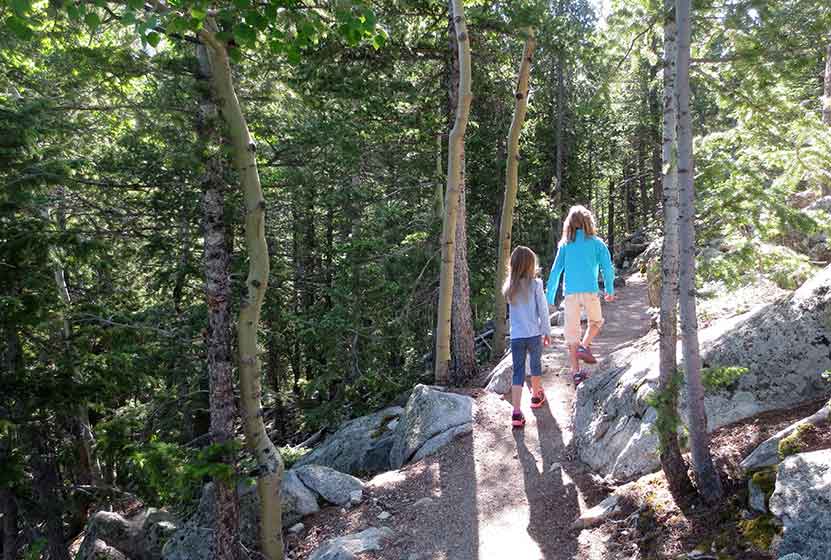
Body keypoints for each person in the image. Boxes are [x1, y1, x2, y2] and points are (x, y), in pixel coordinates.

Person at [546, 205, 616, 385]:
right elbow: (607, 268)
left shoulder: (565, 245)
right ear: (588, 222)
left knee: (571, 334)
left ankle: (576, 372)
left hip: (570, 294)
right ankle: (584, 347)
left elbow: (555, 271)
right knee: (596, 322)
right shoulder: (597, 243)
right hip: (590, 291)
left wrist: (549, 297)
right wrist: (609, 289)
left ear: (569, 224)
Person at [502, 246, 552, 428]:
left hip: (516, 337)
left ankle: (516, 413)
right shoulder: (536, 284)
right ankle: (536, 396)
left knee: (518, 372)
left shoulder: (509, 287)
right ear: (531, 264)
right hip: (533, 334)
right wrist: (546, 331)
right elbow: (543, 310)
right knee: (536, 365)